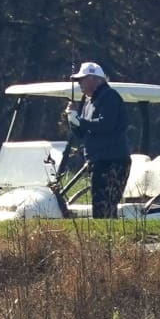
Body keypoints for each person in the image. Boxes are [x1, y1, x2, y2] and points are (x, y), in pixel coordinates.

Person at [65, 61, 131, 218]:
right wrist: (72, 118)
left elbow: (105, 125)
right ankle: (103, 240)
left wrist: (80, 120)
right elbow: (83, 133)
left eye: (82, 79)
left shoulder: (110, 97)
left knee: (105, 207)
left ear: (94, 79)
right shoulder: (90, 102)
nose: (80, 83)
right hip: (99, 161)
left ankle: (107, 240)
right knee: (100, 207)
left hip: (112, 161)